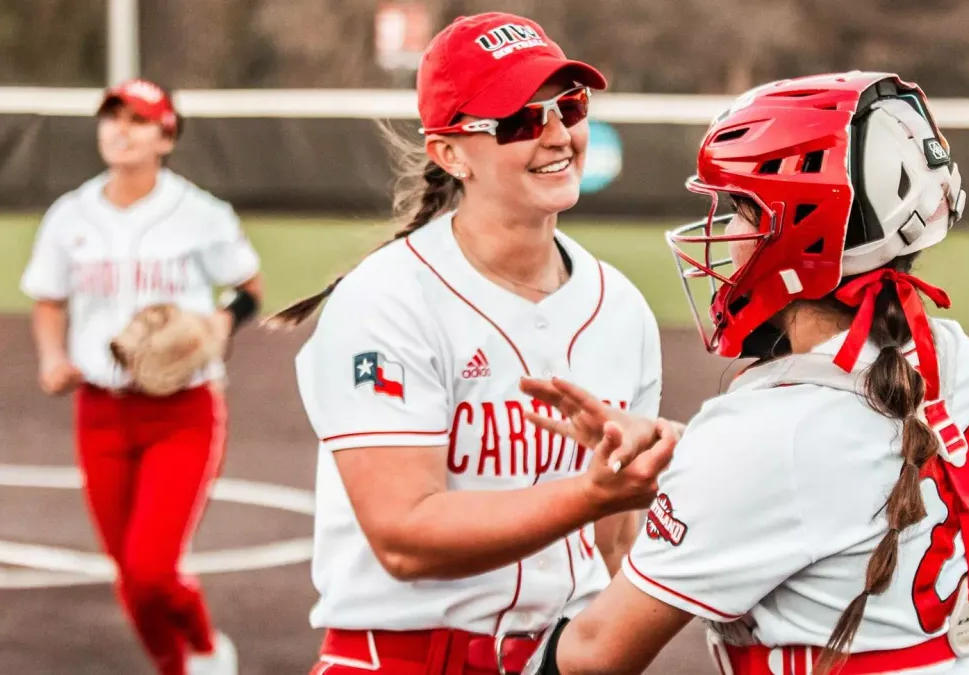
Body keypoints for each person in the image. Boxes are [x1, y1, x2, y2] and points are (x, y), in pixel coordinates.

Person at [517, 71, 969, 675]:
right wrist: (686, 451)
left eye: (739, 208)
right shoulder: (953, 356)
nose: (727, 230)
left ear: (800, 231)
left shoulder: (770, 431)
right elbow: (835, 474)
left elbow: (593, 655)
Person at [266, 12, 674, 675]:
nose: (555, 134)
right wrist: (594, 493)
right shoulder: (388, 299)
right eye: (518, 119)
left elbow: (610, 548)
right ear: (450, 153)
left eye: (567, 106)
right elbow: (405, 537)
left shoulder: (619, 307)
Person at [19, 78, 263, 675]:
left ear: (166, 135)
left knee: (153, 568)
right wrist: (53, 358)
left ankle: (206, 648)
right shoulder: (70, 215)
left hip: (182, 410)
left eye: (138, 119)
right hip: (100, 411)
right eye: (112, 117)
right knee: (129, 577)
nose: (120, 130)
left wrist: (220, 323)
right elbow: (48, 297)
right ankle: (177, 667)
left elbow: (248, 290)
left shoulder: (200, 214)